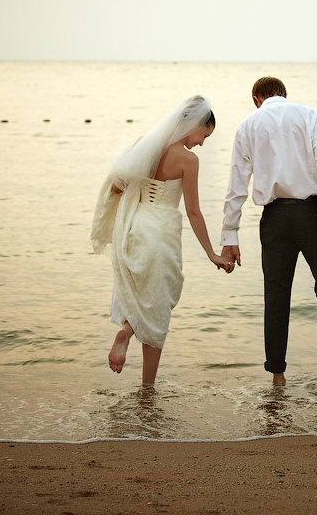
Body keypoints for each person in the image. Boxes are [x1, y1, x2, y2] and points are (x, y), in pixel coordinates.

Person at [91, 95, 233, 385]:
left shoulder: (145, 146)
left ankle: (128, 337)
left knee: (141, 298)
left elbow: (117, 187)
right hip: (161, 232)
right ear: (193, 124)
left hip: (134, 229)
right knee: (156, 307)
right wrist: (212, 254)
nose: (202, 143)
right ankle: (147, 385)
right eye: (204, 135)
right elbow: (193, 211)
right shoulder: (187, 160)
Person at [221, 77, 317, 392]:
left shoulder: (247, 125)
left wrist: (230, 236)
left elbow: (237, 185)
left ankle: (278, 378)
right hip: (311, 214)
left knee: (276, 297)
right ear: (285, 95)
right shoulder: (308, 115)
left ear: (256, 98)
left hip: (274, 218)